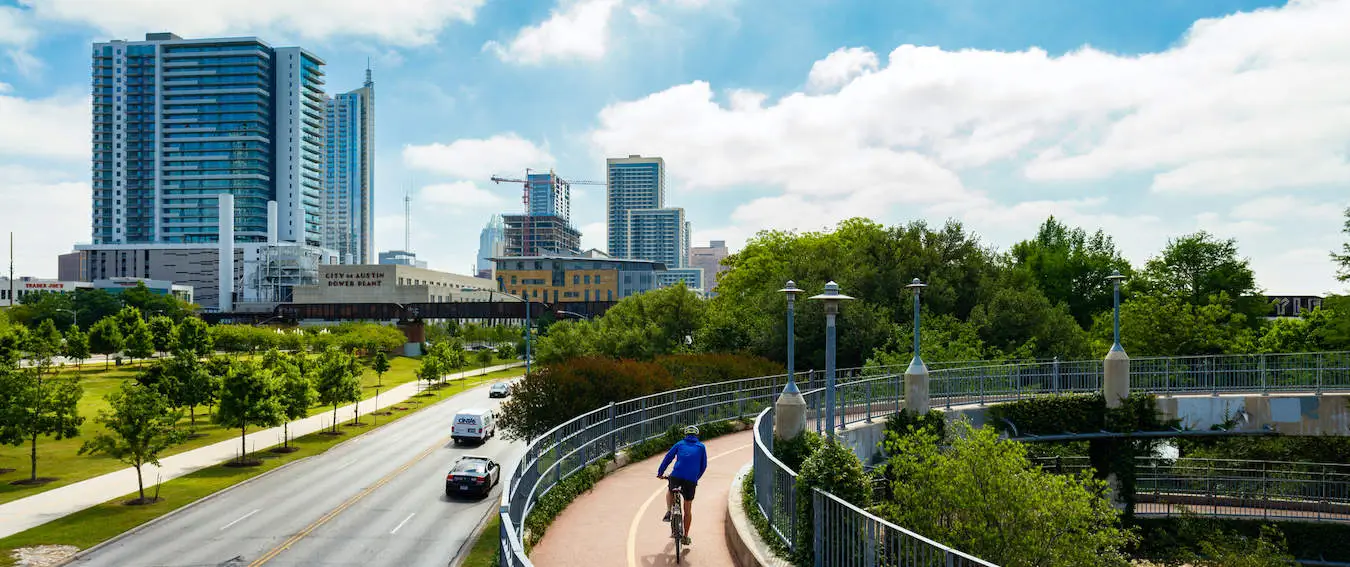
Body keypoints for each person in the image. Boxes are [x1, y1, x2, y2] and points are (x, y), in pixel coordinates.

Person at [657, 425, 708, 545]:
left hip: (676, 476)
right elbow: (703, 466)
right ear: (696, 435)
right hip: (691, 480)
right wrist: (696, 478)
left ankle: (669, 511)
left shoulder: (679, 444)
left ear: (685, 435)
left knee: (670, 490)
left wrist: (660, 472)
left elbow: (668, 458)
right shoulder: (701, 447)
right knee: (688, 508)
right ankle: (685, 536)